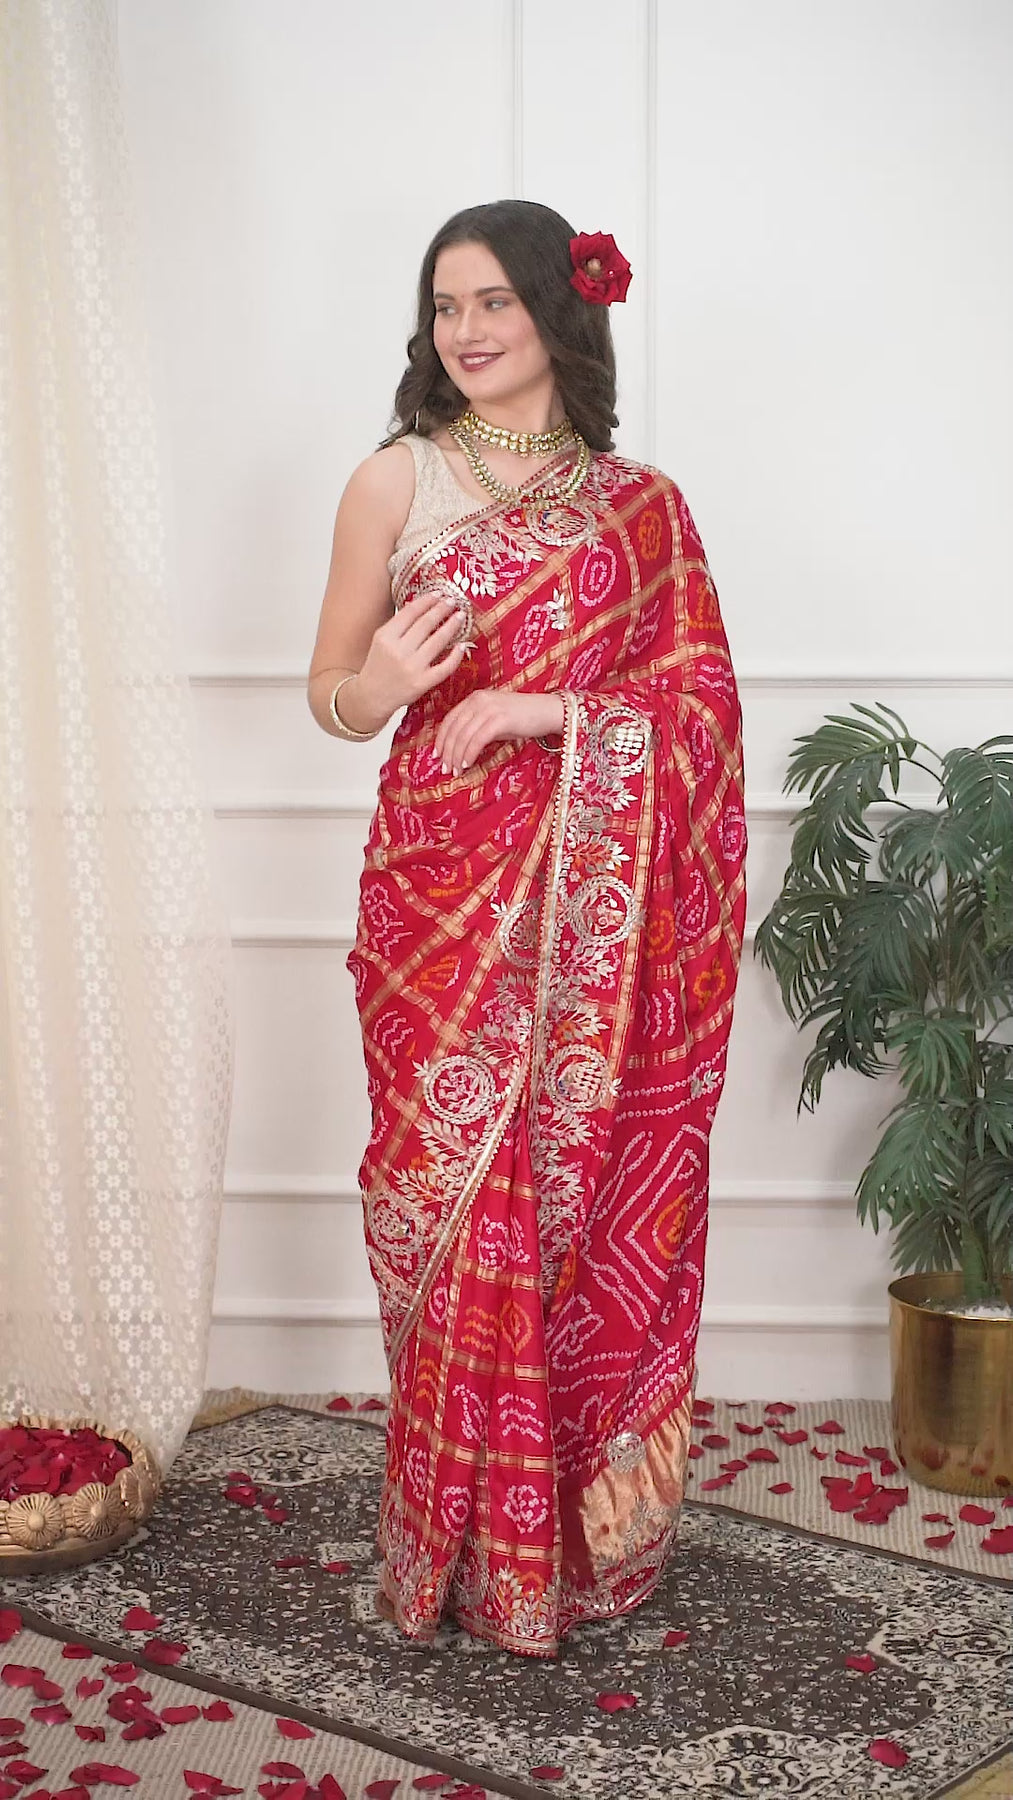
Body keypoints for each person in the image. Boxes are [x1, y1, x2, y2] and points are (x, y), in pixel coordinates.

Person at [307, 199, 745, 1658]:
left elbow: (698, 706)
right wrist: (380, 682)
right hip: (434, 897)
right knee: (436, 1200)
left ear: (562, 310)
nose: (466, 331)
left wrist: (547, 708)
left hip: (584, 921)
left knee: (574, 1199)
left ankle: (561, 1541)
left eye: (493, 300)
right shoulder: (394, 478)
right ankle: (455, 1548)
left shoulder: (642, 506)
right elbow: (333, 697)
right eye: (445, 306)